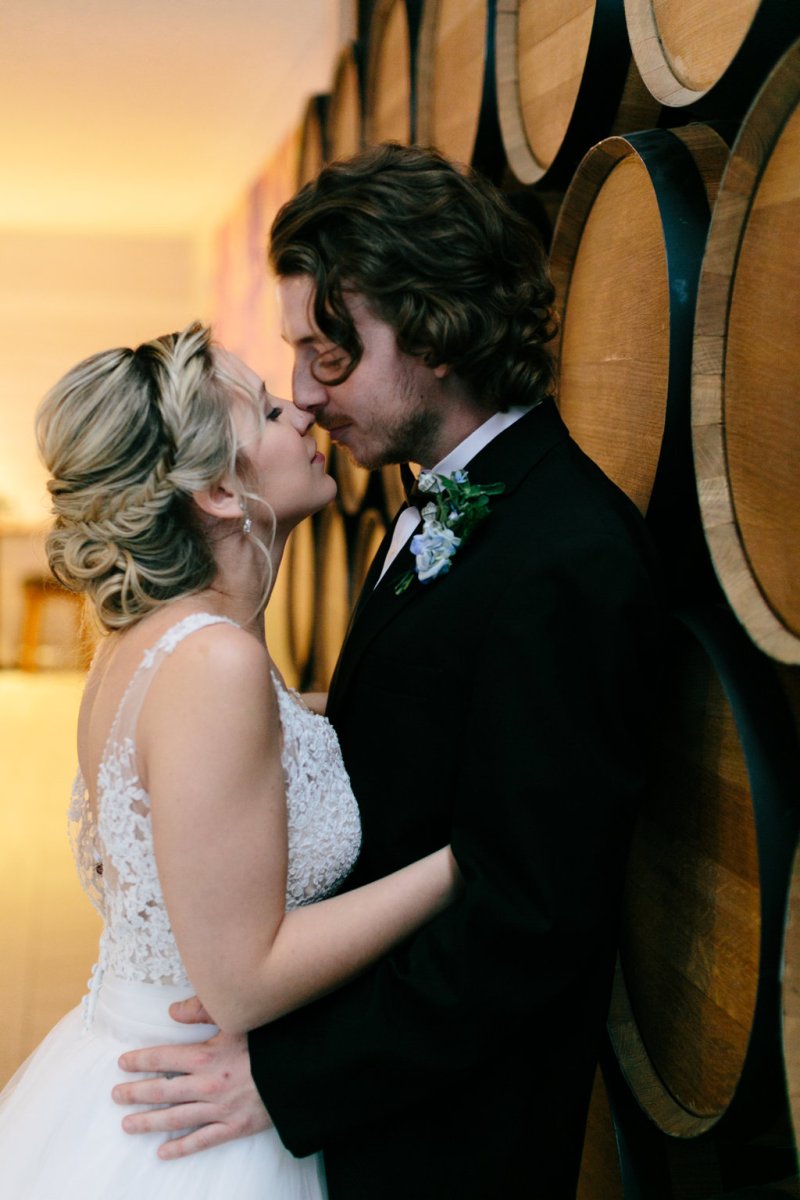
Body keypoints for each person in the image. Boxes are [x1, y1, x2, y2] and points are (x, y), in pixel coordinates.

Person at [113, 144, 664, 1198]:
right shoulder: (437, 506)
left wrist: (292, 1075)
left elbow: (531, 917)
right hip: (372, 1112)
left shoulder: (570, 556)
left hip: (452, 1139)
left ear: (435, 330)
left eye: (329, 354)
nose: (303, 395)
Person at [0, 322, 462, 1199]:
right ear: (218, 490)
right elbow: (245, 983)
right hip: (198, 1114)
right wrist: (464, 862)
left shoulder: (155, 640)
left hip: (145, 1060)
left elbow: (283, 746)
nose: (303, 410)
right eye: (268, 410)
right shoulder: (215, 664)